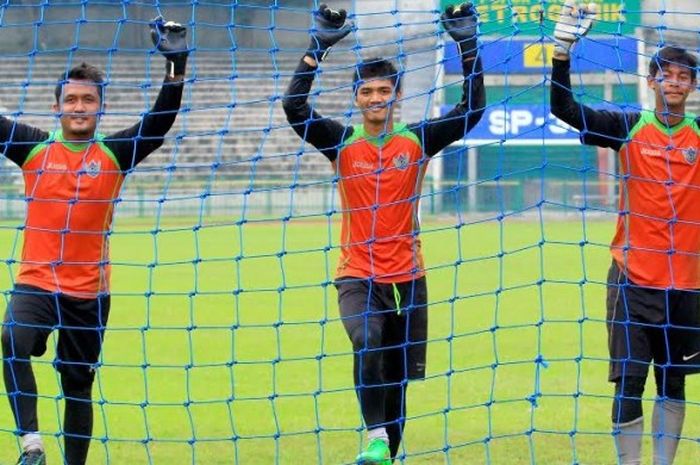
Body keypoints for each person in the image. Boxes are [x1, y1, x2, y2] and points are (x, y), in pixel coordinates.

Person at [283, 3, 485, 464]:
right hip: (357, 276)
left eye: (383, 91)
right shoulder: (340, 141)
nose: (376, 98)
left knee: (395, 378)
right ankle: (375, 436)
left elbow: (472, 109)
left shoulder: (417, 140)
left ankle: (388, 452)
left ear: (395, 97)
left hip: (408, 280)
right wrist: (318, 45)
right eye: (367, 91)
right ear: (357, 98)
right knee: (366, 341)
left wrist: (468, 44)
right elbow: (294, 107)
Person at [0, 17, 189, 465]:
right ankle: (32, 445)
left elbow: (158, 122)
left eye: (88, 99)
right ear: (57, 108)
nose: (79, 106)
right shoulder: (32, 147)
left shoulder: (114, 154)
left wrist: (175, 65)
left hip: (90, 293)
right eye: (71, 99)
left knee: (77, 384)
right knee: (11, 341)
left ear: (100, 107)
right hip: (38, 284)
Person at [550, 2, 700, 464]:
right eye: (666, 76)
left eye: (683, 77)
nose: (674, 83)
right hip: (631, 280)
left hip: (688, 284)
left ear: (692, 86)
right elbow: (565, 109)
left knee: (673, 381)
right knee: (631, 379)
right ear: (652, 81)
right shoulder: (628, 125)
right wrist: (561, 52)